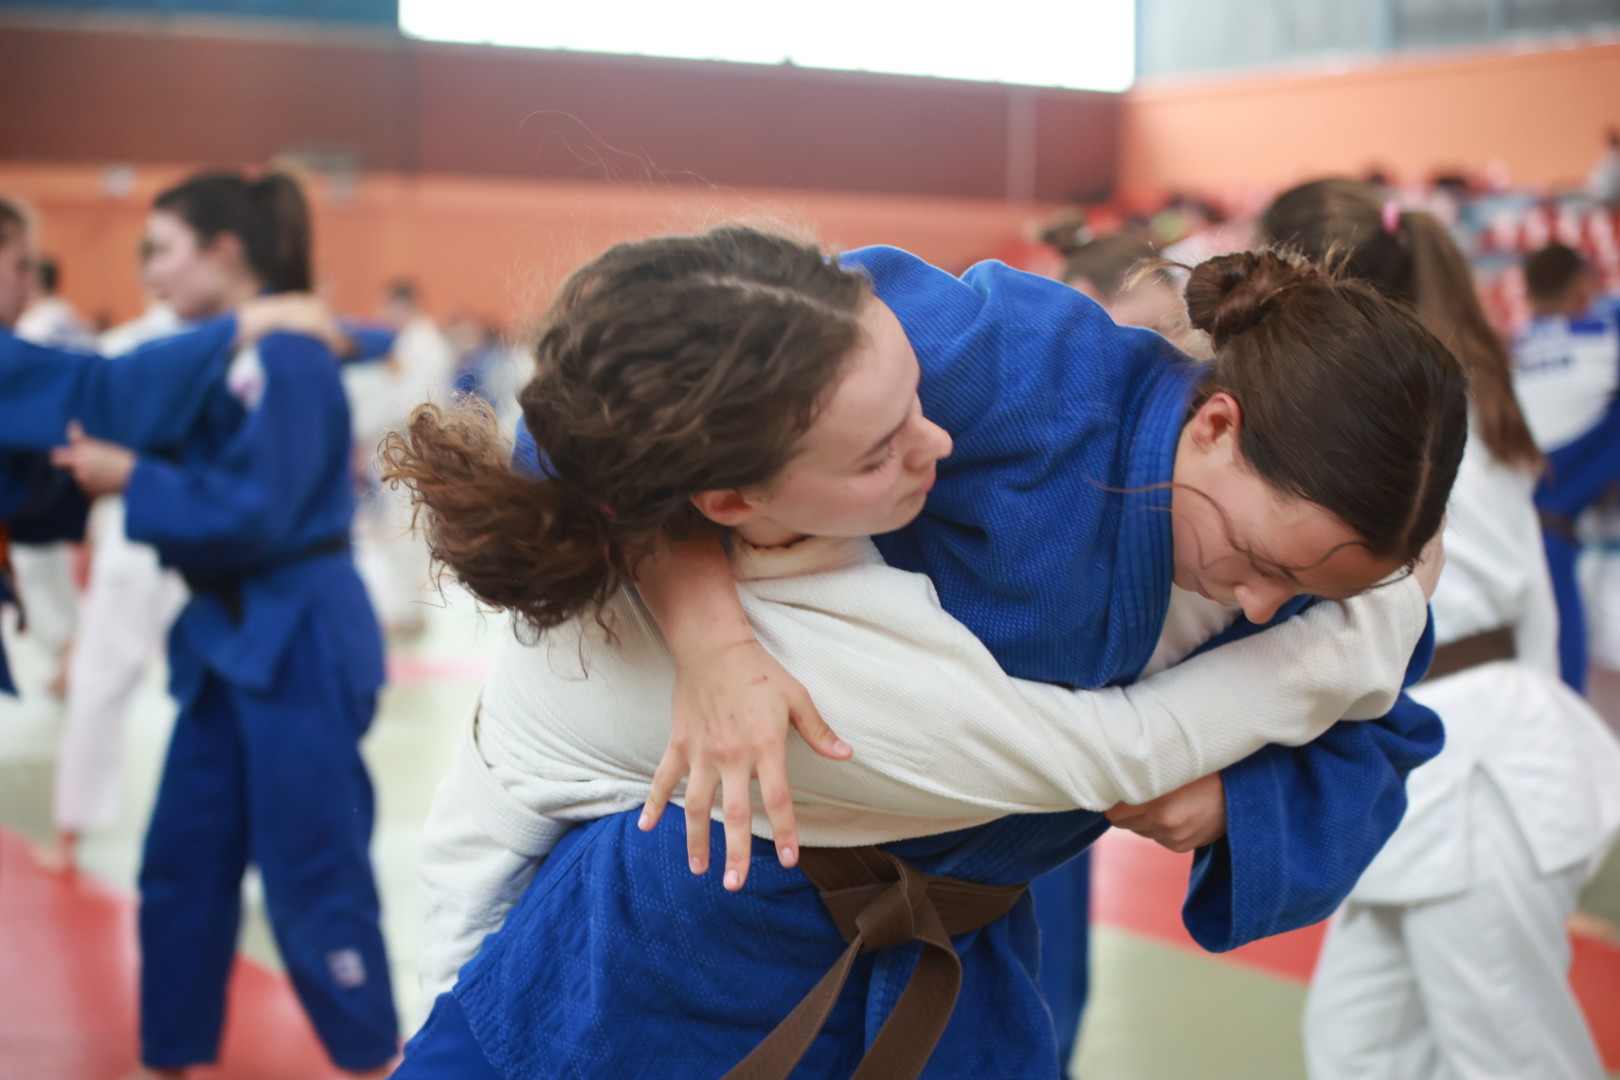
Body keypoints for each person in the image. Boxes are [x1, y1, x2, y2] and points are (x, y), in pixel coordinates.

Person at [386, 225, 1466, 1078]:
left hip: (960, 968)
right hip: (706, 895)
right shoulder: (1016, 365)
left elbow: (1382, 731)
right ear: (1217, 424)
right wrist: (713, 639)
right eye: (1255, 557)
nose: (1268, 604)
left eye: (1311, 592)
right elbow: (606, 408)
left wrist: (1241, 805)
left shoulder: (1325, 585)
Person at [12, 171, 399, 1079]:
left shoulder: (290, 355)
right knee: (183, 855)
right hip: (223, 641)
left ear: (225, 252)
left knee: (310, 863)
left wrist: (134, 478)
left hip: (297, 635)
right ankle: (172, 1052)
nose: (148, 271)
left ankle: (373, 1058)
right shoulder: (212, 353)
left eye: (162, 250)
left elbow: (260, 510)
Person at [1269, 181, 1620, 1080]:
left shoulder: (1394, 409)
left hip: (1475, 762)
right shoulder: (1452, 386)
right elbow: (1538, 594)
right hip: (1440, 750)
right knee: (1359, 1049)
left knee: (1513, 1058)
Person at [1511, 243, 1620, 695]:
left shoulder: (1506, 352)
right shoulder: (1608, 336)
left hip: (1511, 520)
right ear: (1581, 289)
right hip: (1560, 519)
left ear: (1527, 294)